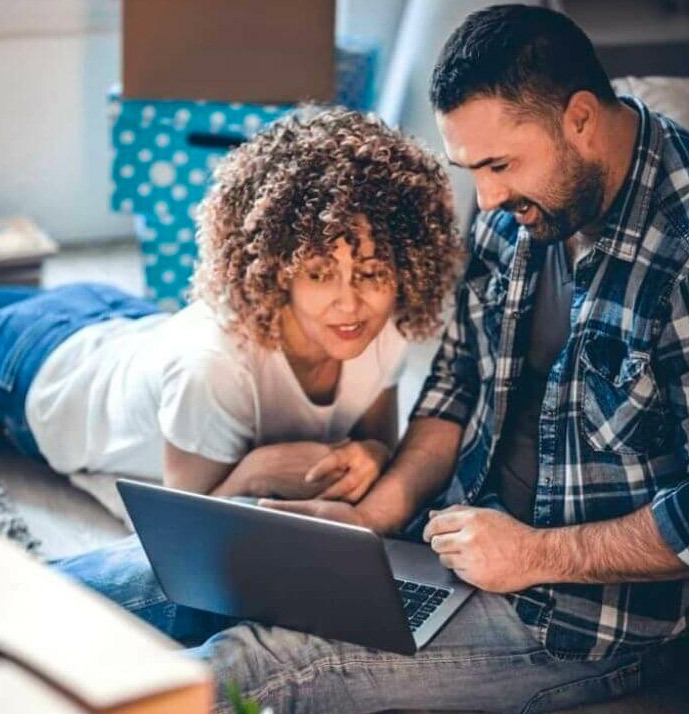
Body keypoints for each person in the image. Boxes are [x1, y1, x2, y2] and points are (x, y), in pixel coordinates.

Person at [57, 5, 689, 713]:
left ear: (578, 119)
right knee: (125, 583)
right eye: (470, 168)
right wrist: (377, 514)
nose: (484, 197)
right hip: (445, 545)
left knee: (246, 668)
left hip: (580, 619)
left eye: (499, 165)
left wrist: (535, 555)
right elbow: (454, 384)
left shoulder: (678, 246)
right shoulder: (522, 207)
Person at [0, 107, 458, 504]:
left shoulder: (387, 326)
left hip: (131, 323)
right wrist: (256, 471)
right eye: (319, 274)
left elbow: (376, 443)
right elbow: (185, 531)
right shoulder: (212, 371)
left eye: (372, 273)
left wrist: (376, 454)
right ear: (280, 269)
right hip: (44, 371)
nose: (350, 303)